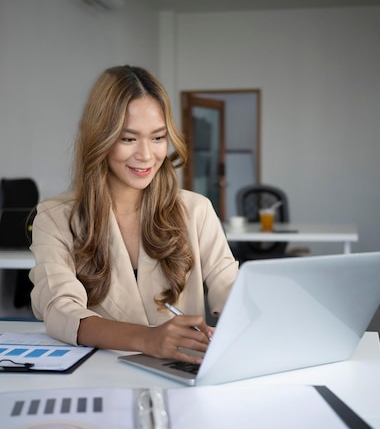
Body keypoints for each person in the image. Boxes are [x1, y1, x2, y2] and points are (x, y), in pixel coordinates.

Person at [29, 65, 238, 364]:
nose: (146, 155)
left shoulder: (196, 209)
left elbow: (228, 285)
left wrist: (253, 314)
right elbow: (59, 308)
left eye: (157, 137)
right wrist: (147, 338)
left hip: (181, 373)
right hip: (100, 373)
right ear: (100, 138)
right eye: (128, 139)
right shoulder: (54, 217)